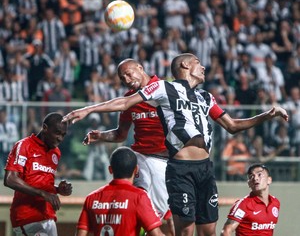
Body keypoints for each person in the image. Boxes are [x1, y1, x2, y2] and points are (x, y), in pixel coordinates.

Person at [63, 53, 288, 236]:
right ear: (185, 65)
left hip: (200, 168)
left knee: (204, 229)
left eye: (127, 73)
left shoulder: (204, 97)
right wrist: (88, 110)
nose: (203, 67)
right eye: (199, 63)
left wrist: (268, 114)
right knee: (175, 223)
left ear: (140, 68)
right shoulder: (161, 89)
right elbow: (123, 109)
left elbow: (233, 125)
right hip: (166, 164)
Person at [82, 59, 175, 235]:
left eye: (128, 73)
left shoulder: (165, 89)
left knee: (164, 216)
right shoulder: (129, 99)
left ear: (140, 67)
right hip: (143, 158)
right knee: (143, 208)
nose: (126, 78)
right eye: (122, 77)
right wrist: (100, 136)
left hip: (168, 162)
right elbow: (120, 134)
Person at [4, 112, 73, 236]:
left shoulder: (56, 152)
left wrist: (58, 189)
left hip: (48, 216)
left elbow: (40, 182)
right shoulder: (24, 145)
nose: (60, 138)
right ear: (45, 128)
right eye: (57, 133)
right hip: (27, 217)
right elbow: (10, 179)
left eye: (63, 135)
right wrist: (43, 193)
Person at [75, 146, 164, 236]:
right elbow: (156, 234)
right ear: (136, 170)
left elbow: (80, 234)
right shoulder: (139, 197)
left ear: (110, 170)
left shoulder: (92, 198)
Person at [220, 163, 280, 236]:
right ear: (249, 183)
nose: (255, 178)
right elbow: (226, 231)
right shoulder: (243, 204)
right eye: (251, 176)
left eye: (259, 175)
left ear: (269, 180)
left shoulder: (275, 202)